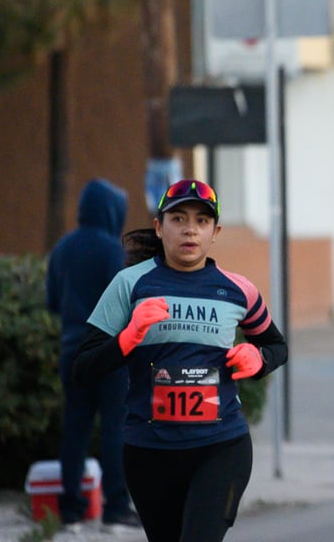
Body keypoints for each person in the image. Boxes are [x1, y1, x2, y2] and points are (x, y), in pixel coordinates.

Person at [72, 179, 288, 542]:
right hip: (148, 453)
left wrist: (259, 358)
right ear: (159, 227)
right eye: (178, 219)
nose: (190, 229)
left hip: (221, 448)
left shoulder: (238, 289)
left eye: (202, 221)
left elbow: (276, 346)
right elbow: (82, 368)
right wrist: (128, 338)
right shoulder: (130, 285)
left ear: (215, 232)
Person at [45, 178, 140, 533]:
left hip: (72, 352)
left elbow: (52, 302)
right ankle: (116, 507)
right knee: (115, 427)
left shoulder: (63, 248)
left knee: (75, 428)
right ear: (111, 211)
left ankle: (70, 510)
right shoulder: (111, 250)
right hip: (108, 352)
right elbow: (125, 305)